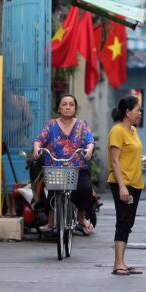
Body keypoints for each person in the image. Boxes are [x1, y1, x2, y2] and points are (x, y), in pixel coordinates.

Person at [32, 94, 97, 234]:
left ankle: (81, 217)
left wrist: (89, 149)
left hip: (78, 168)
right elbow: (39, 139)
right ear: (59, 108)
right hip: (56, 168)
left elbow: (89, 140)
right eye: (64, 104)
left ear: (75, 108)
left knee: (85, 189)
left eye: (71, 104)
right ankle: (51, 222)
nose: (68, 107)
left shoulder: (81, 125)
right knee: (53, 190)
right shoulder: (50, 125)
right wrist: (37, 148)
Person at [107, 95, 146, 276]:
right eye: (137, 110)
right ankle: (118, 264)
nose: (140, 113)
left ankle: (122, 262)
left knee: (128, 222)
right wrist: (122, 187)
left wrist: (144, 159)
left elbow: (131, 153)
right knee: (123, 221)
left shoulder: (132, 130)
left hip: (136, 182)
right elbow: (115, 161)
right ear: (127, 112)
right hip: (122, 182)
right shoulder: (117, 131)